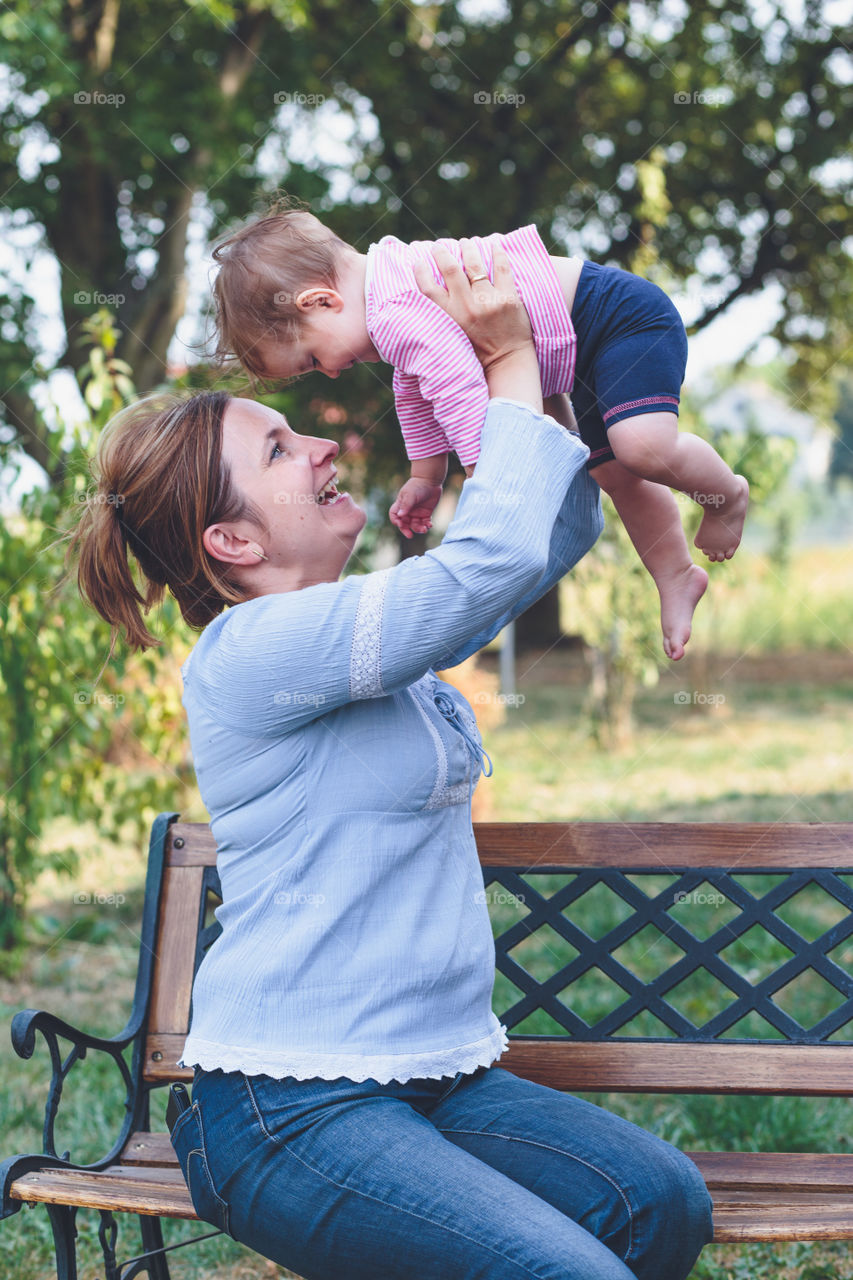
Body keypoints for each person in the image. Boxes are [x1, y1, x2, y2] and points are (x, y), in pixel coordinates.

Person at [69, 241, 712, 1280]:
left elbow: (546, 533)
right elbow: (480, 566)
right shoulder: (256, 651)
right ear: (231, 542)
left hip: (428, 1076)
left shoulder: (359, 634)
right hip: (287, 1104)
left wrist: (539, 366)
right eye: (280, 449)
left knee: (659, 1200)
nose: (324, 442)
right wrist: (502, 368)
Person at [210, 203, 749, 662]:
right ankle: (676, 574)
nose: (327, 372)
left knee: (641, 446)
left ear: (319, 301)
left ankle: (725, 495)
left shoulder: (394, 305)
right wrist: (427, 473)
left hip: (614, 320)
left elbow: (457, 381)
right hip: (572, 352)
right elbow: (415, 385)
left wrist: (486, 470)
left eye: (310, 359)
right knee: (616, 473)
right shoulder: (388, 306)